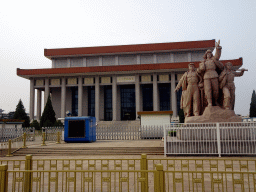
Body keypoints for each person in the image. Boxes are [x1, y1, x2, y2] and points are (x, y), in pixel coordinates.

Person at [197, 41, 224, 107]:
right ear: (206, 55)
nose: (209, 55)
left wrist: (217, 48)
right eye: (207, 54)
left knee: (216, 90)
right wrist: (202, 66)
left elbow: (217, 55)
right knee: (208, 90)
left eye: (210, 53)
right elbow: (199, 70)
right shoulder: (203, 62)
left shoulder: (214, 59)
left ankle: (215, 101)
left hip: (214, 75)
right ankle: (209, 103)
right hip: (206, 77)